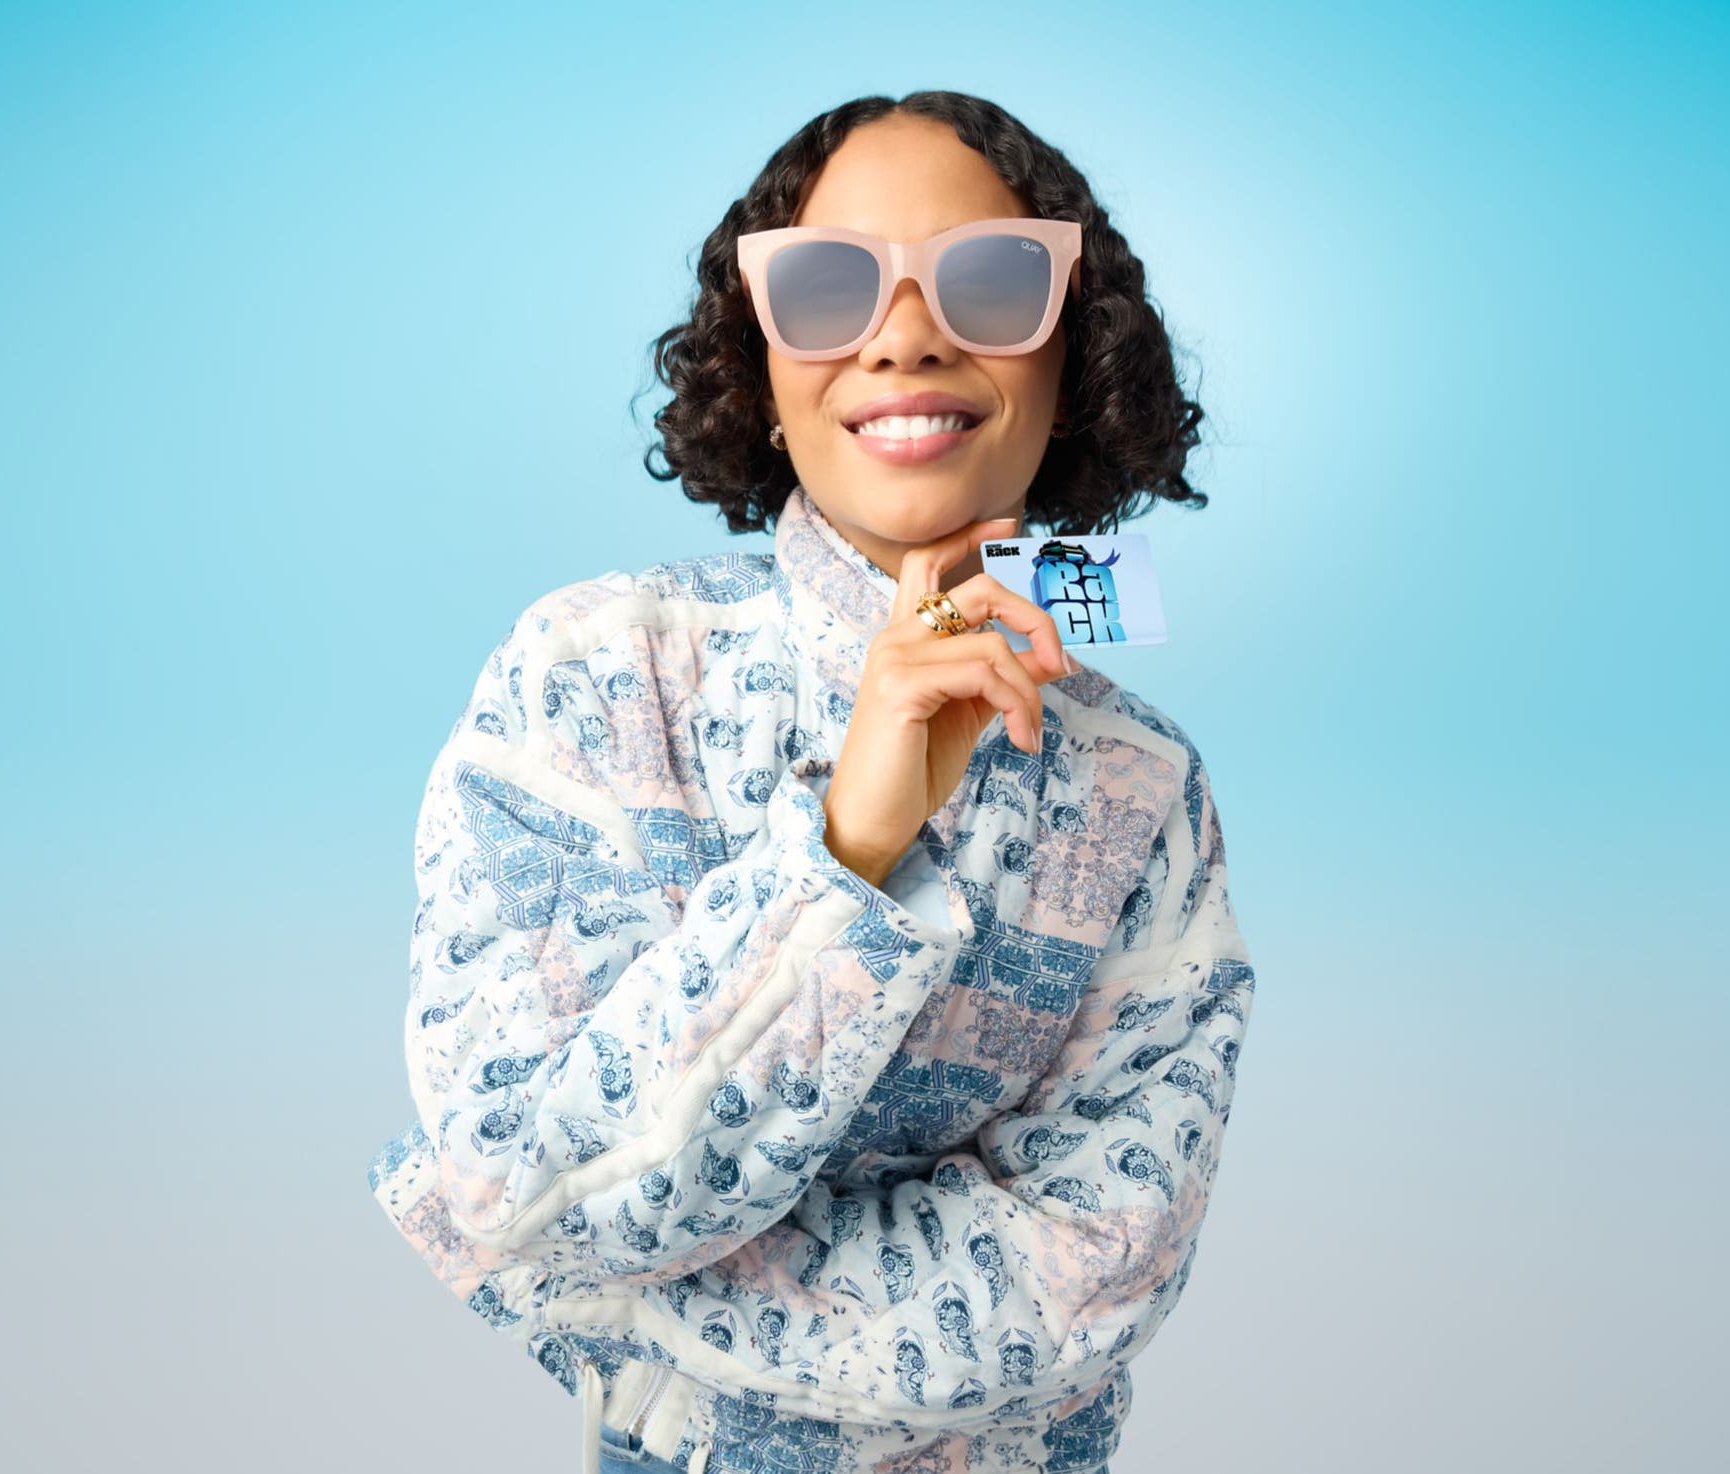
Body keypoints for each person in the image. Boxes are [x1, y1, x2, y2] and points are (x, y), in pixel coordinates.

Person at [365, 90, 1256, 1474]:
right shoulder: (598, 677)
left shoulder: (1141, 787)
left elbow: (1092, 1276)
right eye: (830, 288)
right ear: (759, 362)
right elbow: (527, 1177)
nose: (905, 331)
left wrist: (654, 1325)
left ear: (1074, 354)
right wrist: (845, 847)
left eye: (991, 277)